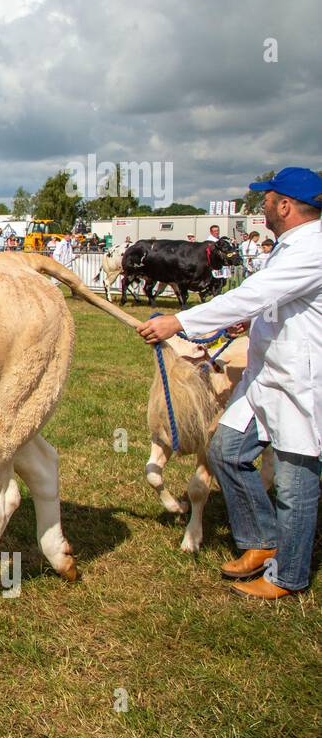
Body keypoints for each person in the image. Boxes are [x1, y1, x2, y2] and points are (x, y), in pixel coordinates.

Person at [138, 168, 322, 600]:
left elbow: (253, 293)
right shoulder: (291, 246)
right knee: (225, 450)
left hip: (302, 382)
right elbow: (271, 301)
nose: (261, 206)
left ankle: (288, 576)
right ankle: (261, 540)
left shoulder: (312, 248)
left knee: (296, 482)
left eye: (266, 198)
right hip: (266, 377)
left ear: (285, 205)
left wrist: (179, 320)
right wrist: (252, 319)